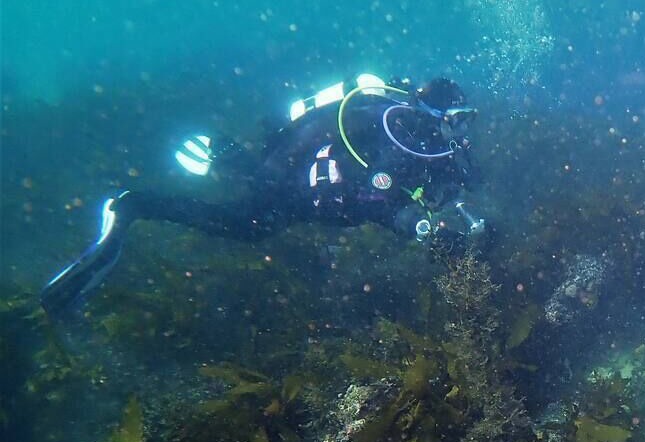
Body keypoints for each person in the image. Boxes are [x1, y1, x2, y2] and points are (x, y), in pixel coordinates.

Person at [40, 74, 485, 313]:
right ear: (435, 111)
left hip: (303, 196)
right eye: (457, 118)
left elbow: (411, 194)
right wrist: (422, 229)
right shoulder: (393, 129)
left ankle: (228, 161)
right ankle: (132, 204)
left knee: (252, 213)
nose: (460, 130)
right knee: (247, 221)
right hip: (295, 188)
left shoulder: (424, 144)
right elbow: (374, 195)